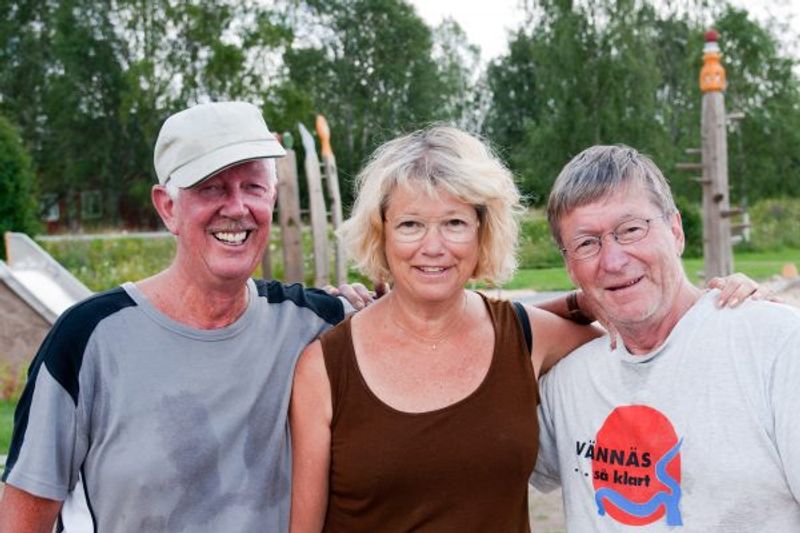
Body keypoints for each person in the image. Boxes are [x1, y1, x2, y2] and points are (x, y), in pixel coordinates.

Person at [287, 128, 760, 532]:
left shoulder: (526, 337)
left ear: (482, 232)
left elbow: (648, 349)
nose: (433, 246)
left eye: (454, 222)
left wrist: (727, 310)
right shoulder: (325, 368)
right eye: (411, 224)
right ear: (381, 233)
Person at [0, 101, 372, 532]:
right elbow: (22, 521)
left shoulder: (313, 324)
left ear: (271, 197)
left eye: (252, 186)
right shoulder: (88, 340)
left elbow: (422, 324)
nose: (236, 208)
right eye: (211, 188)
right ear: (167, 207)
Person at [532, 145, 800, 531]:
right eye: (587, 243)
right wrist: (578, 305)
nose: (613, 260)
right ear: (570, 266)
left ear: (676, 231)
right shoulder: (567, 382)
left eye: (631, 230)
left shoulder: (775, 347)